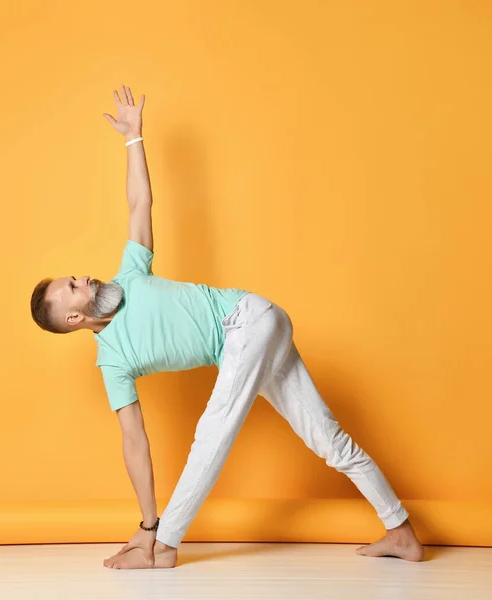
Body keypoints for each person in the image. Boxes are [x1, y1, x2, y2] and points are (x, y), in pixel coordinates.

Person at [30, 85, 424, 570]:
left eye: (75, 275)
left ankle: (167, 550)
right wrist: (146, 521)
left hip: (250, 320)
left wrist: (134, 139)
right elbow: (135, 441)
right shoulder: (112, 361)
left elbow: (139, 206)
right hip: (253, 340)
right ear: (73, 319)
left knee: (212, 432)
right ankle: (401, 531)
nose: (83, 276)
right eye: (73, 286)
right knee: (328, 439)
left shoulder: (129, 274)